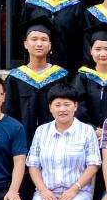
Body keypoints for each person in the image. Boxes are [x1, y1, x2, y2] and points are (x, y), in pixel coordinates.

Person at [4, 16, 70, 146]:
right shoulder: (15, 78)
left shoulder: (60, 76)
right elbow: (9, 111)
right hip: (22, 142)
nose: (39, 44)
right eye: (34, 39)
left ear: (50, 45)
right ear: (26, 44)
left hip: (56, 142)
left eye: (44, 40)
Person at [22, 0, 85, 73]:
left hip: (69, 66)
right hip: (37, 68)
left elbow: (81, 39)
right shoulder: (32, 5)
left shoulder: (75, 6)